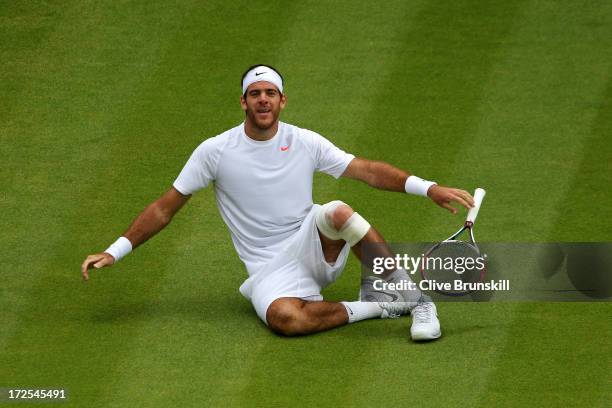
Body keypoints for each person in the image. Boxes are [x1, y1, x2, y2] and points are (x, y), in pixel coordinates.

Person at [81, 64, 474, 341]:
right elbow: (166, 206)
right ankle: (381, 306)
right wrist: (117, 250)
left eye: (270, 93)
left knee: (337, 211)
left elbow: (367, 170)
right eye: (255, 94)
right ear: (243, 103)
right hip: (268, 269)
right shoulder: (215, 151)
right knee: (286, 320)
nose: (263, 100)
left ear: (282, 101)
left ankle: (414, 298)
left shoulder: (304, 141)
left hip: (313, 243)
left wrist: (429, 187)